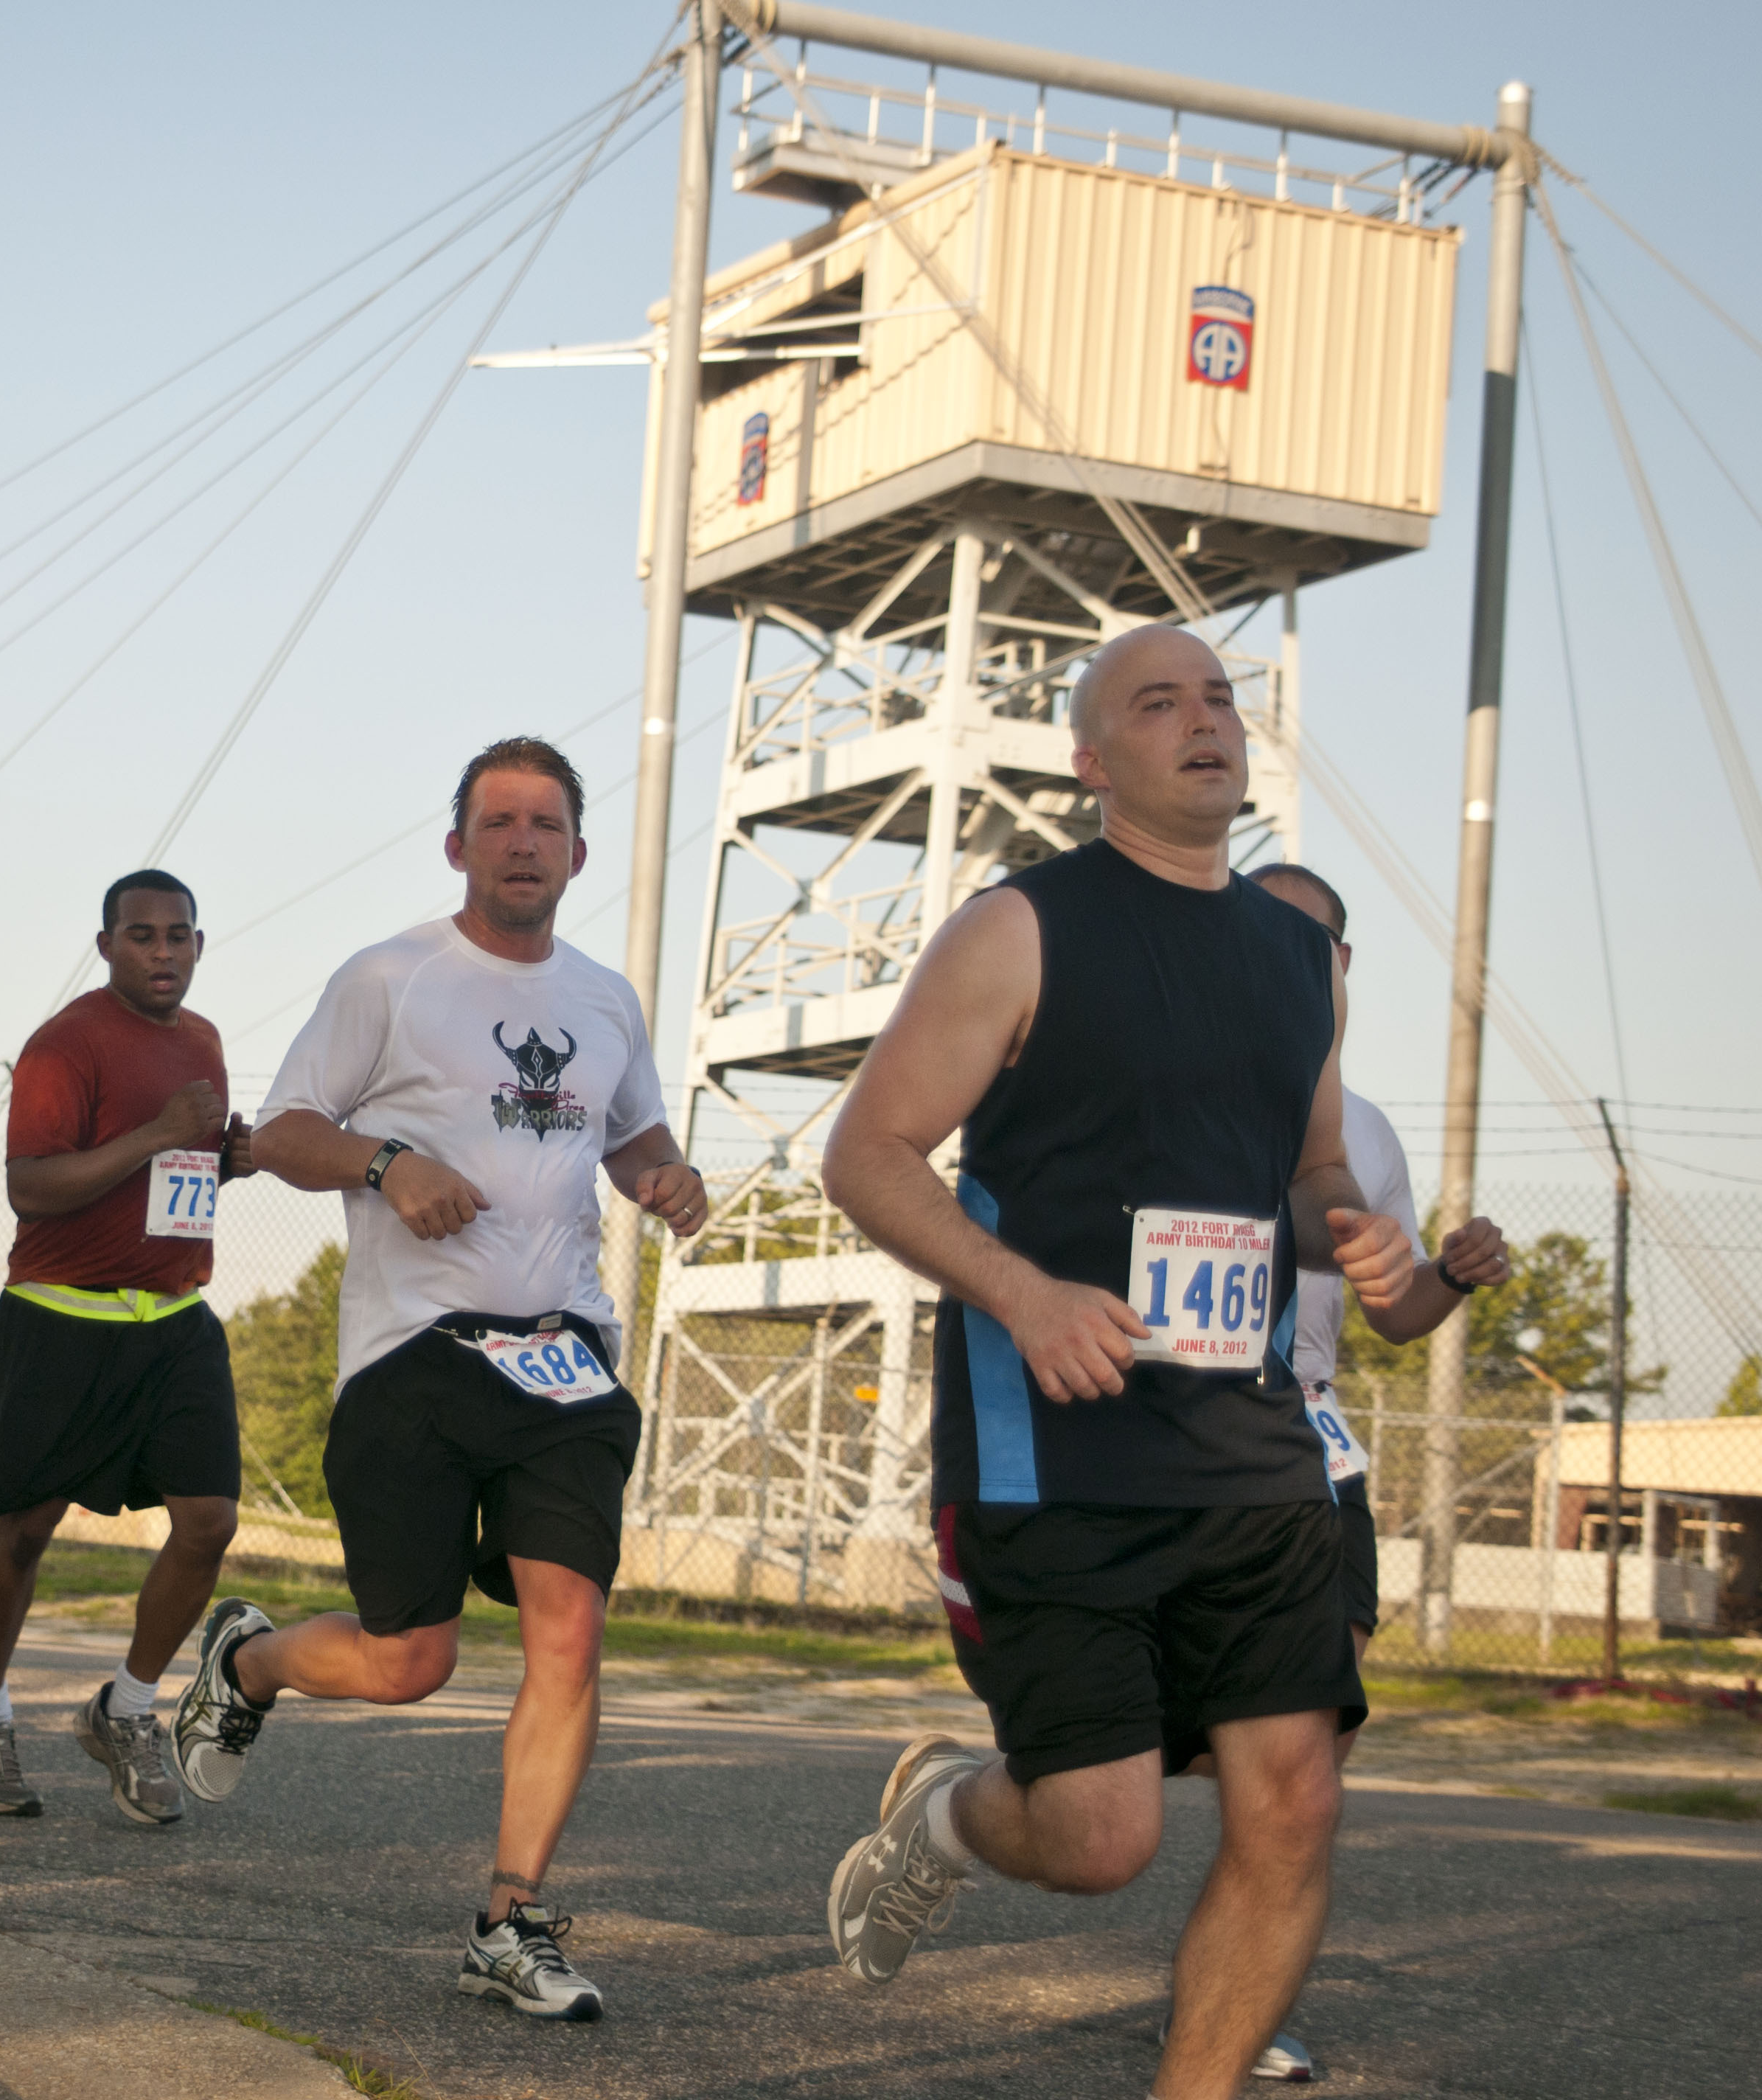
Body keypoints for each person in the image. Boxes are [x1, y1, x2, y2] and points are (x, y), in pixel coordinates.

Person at [812, 626, 1415, 2100]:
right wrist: (1018, 1291)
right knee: (1100, 1835)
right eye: (1157, 702)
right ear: (1091, 763)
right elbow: (866, 1152)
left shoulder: (1295, 963)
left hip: (1253, 1456)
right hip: (1056, 1459)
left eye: (1216, 696)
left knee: (1290, 1803)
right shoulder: (1019, 928)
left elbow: (1310, 1172)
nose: (1201, 719)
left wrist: (1361, 1238)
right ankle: (945, 1812)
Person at [172, 740, 706, 2022]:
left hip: (563, 1351)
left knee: (565, 1625)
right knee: (411, 1658)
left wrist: (662, 1176)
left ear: (578, 851)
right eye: (497, 820)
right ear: (456, 844)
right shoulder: (393, 977)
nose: (523, 840)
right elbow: (284, 1127)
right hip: (415, 1348)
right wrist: (386, 1162)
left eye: (546, 822)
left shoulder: (605, 1000)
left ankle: (511, 1918)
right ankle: (249, 1663)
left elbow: (626, 1129)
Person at [1157, 862, 1511, 2082]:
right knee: (1124, 1781)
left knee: (1306, 1747)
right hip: (1168, 1442)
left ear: (1342, 971)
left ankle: (1230, 2004)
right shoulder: (1153, 1083)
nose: (1287, 962)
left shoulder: (1362, 1133)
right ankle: (984, 1793)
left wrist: (1451, 1274)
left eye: (1312, 946)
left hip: (1309, 1446)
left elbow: (1394, 1308)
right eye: (1260, 937)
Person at [0, 868, 255, 1828]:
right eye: (142, 936)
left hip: (172, 1321)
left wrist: (221, 1159)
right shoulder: (65, 1043)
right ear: (107, 945)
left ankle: (126, 1709)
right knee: (27, 1534)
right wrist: (161, 1134)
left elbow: (174, 1180)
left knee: (208, 1522)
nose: (163, 954)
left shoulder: (202, 1042)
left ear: (200, 946)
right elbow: (31, 1189)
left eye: (179, 937)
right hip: (62, 1320)